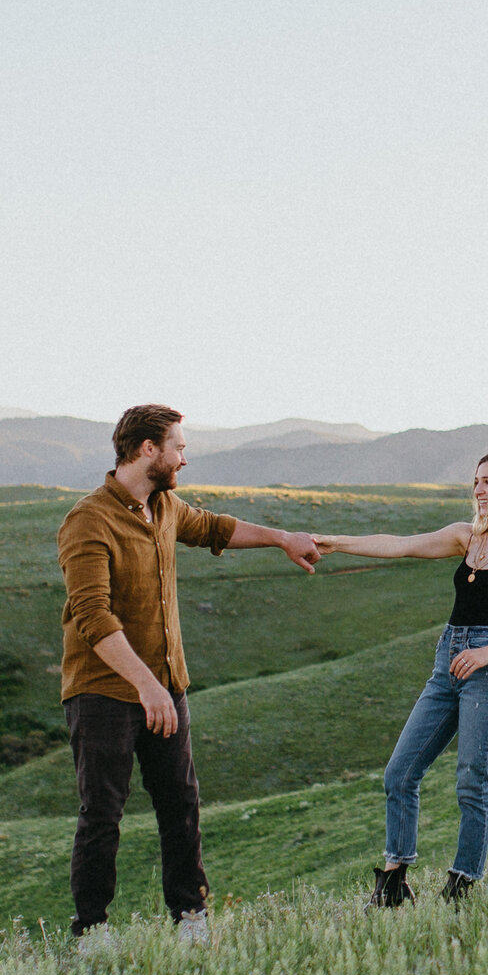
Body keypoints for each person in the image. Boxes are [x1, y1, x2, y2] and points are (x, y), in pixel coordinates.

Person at [58, 403, 319, 944]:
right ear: (147, 450)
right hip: (103, 692)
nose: (185, 457)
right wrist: (145, 685)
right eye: (178, 447)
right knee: (103, 814)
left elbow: (216, 528)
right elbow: (92, 616)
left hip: (166, 686)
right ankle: (92, 934)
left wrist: (283, 538)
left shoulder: (166, 507)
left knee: (180, 804)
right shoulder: (89, 519)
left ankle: (190, 919)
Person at [312, 449, 488, 905]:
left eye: (487, 481)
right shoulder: (469, 538)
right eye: (476, 481)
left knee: (471, 781)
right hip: (447, 664)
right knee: (399, 773)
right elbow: (401, 543)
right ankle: (394, 880)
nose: (478, 490)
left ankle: (461, 885)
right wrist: (336, 541)